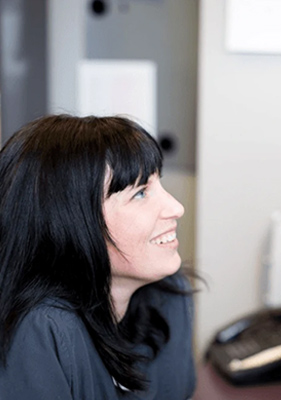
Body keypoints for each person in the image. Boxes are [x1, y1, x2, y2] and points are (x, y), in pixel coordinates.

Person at [0, 115, 197, 399]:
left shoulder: (170, 298)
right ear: (69, 224)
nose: (176, 208)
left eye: (158, 184)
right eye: (140, 193)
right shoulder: (40, 331)